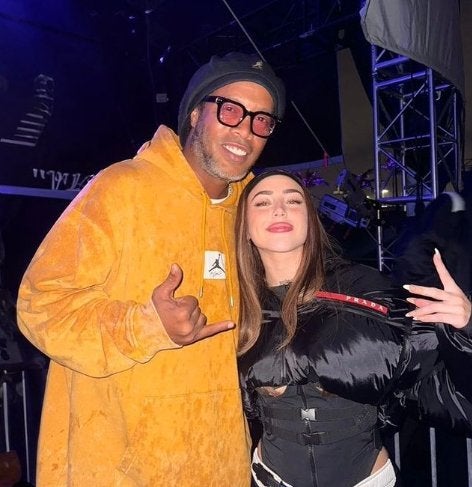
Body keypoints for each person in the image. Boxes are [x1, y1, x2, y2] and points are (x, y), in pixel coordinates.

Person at [16, 52, 285, 486]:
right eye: (231, 110)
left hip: (218, 466)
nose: (245, 130)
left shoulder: (249, 214)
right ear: (195, 113)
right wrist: (145, 326)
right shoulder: (123, 187)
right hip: (119, 468)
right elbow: (40, 304)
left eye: (262, 120)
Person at [234, 170, 472, 487]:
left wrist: (466, 330)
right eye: (263, 203)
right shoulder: (233, 305)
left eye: (293, 201)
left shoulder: (367, 290)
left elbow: (443, 390)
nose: (279, 209)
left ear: (311, 221)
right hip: (269, 478)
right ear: (245, 228)